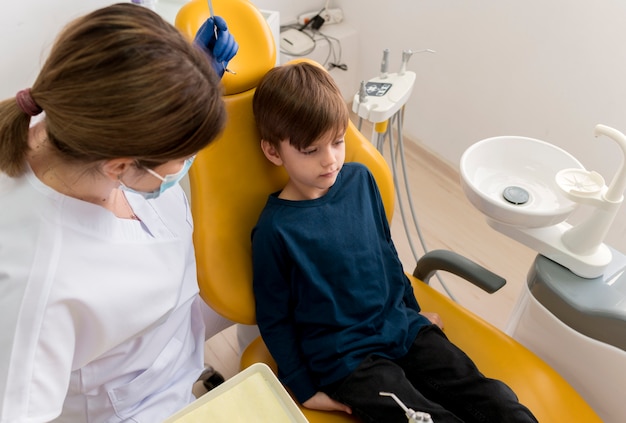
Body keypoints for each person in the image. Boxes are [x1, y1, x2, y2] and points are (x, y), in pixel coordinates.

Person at [250, 62, 538, 423]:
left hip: (399, 325)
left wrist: (411, 310)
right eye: (311, 150)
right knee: (428, 419)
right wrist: (305, 389)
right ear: (274, 152)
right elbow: (275, 318)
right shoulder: (275, 231)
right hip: (346, 358)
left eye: (338, 142)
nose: (330, 160)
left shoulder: (360, 180)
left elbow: (385, 253)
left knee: (493, 399)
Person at [0, 4, 238, 422]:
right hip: (134, 408)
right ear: (120, 166)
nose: (184, 167)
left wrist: (188, 88)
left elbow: (155, 172)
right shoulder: (39, 284)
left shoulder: (89, 130)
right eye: (180, 161)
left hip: (170, 339)